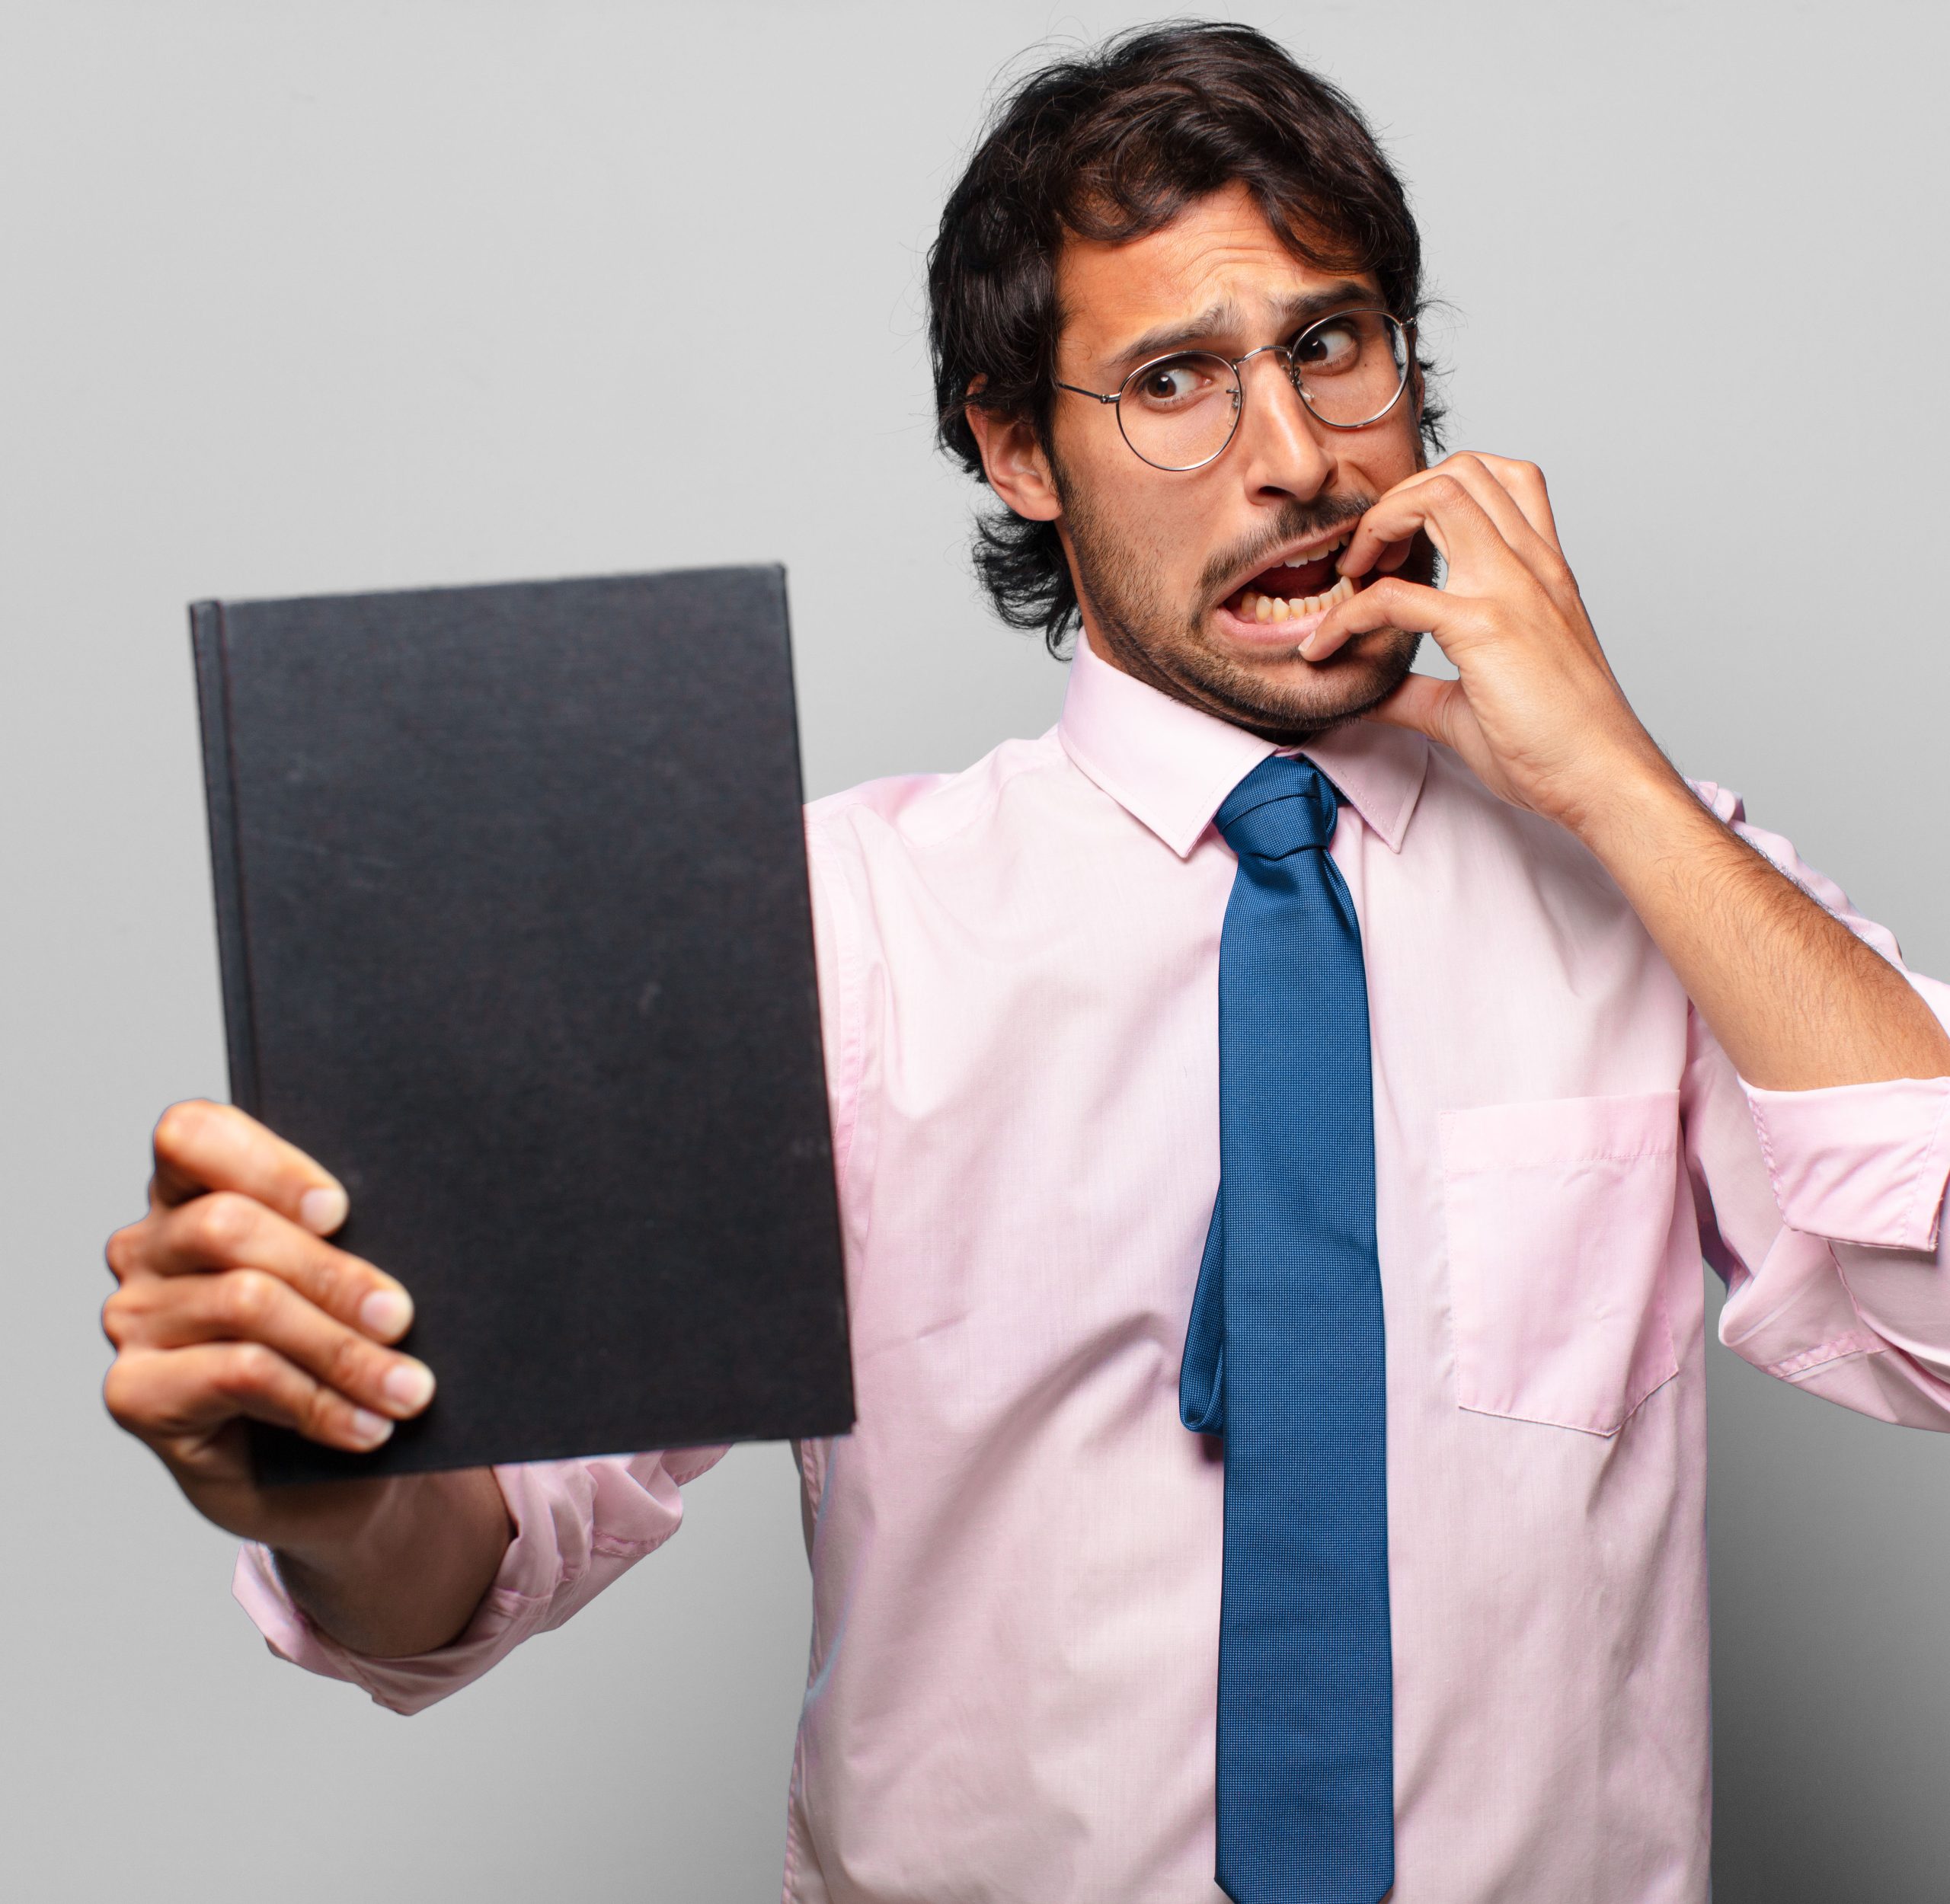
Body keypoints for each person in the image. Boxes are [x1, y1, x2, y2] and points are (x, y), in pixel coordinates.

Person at [98, 24, 1950, 1904]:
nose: (1294, 460)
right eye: (1173, 381)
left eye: (1330, 343)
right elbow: (484, 1554)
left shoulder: (1646, 874)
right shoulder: (828, 928)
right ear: (1014, 448)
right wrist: (322, 1476)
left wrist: (1619, 786)